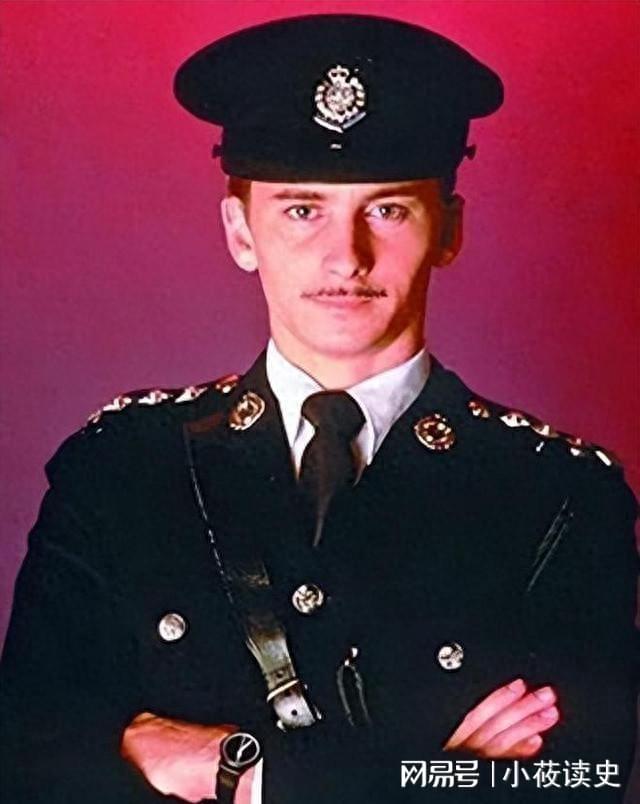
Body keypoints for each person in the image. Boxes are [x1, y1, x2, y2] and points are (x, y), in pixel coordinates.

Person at [0, 13, 637, 804]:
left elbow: (581, 782)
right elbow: (26, 764)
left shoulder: (559, 495)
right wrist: (443, 777)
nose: (346, 257)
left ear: (449, 230)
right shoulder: (120, 470)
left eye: (388, 210)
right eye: (303, 210)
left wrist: (234, 770)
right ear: (240, 231)